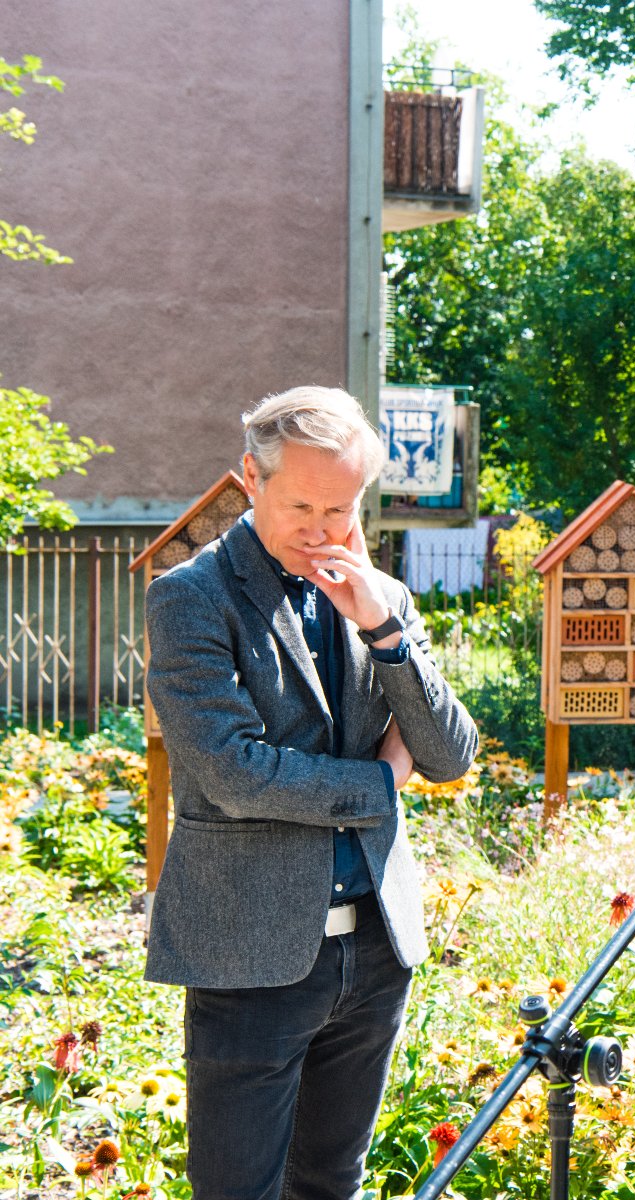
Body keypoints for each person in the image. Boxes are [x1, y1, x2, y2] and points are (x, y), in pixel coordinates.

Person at [144, 386, 478, 1200]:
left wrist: (386, 637)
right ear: (250, 481)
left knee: (333, 1183)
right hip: (249, 952)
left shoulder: (382, 599)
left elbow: (451, 753)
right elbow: (233, 773)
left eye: (342, 506)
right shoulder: (191, 598)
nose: (326, 530)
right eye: (302, 504)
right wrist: (382, 778)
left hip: (374, 949)